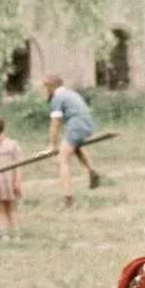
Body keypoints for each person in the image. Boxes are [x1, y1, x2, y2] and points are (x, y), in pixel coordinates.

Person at [44, 73, 100, 208]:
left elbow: (55, 123)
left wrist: (52, 145)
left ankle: (68, 198)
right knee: (75, 147)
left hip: (76, 125)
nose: (45, 90)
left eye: (45, 87)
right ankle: (92, 170)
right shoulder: (70, 93)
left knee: (62, 159)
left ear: (51, 86)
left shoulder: (57, 97)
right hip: (87, 123)